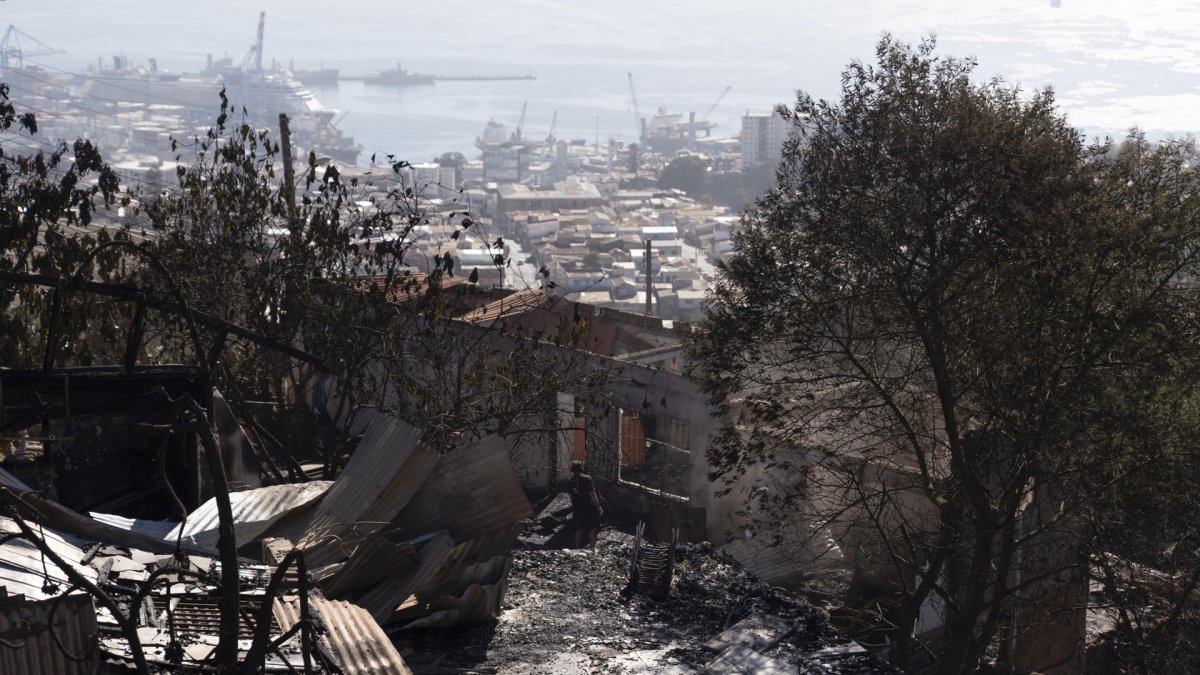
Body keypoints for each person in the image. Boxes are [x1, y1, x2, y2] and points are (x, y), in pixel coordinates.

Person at [568, 461, 602, 549]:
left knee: (579, 529)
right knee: (593, 529)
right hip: (590, 508)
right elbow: (592, 494)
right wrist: (598, 506)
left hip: (578, 509)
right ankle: (592, 549)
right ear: (581, 468)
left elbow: (571, 497)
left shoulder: (570, 481)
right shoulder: (587, 478)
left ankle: (577, 549)